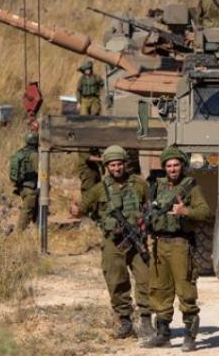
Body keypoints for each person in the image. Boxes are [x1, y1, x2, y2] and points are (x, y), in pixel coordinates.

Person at [71, 145, 153, 339]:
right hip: (113, 242)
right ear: (107, 166)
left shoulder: (140, 185)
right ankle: (125, 322)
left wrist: (145, 225)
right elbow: (82, 208)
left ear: (125, 164)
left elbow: (149, 209)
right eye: (113, 165)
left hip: (137, 241)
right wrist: (75, 210)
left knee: (146, 278)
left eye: (119, 164)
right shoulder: (99, 189)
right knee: (116, 280)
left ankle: (146, 321)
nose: (117, 168)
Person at [141, 147, 212, 352]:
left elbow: (205, 212)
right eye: (169, 165)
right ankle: (163, 334)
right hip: (159, 244)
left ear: (182, 166)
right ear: (164, 167)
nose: (173, 169)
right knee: (159, 289)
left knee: (185, 290)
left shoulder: (190, 187)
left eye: (176, 165)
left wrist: (185, 211)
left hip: (181, 243)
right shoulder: (156, 186)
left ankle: (190, 336)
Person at [9, 132, 39, 230]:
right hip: (31, 188)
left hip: (22, 187)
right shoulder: (34, 155)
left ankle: (40, 229)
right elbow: (40, 171)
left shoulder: (21, 152)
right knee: (27, 210)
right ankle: (19, 233)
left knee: (35, 209)